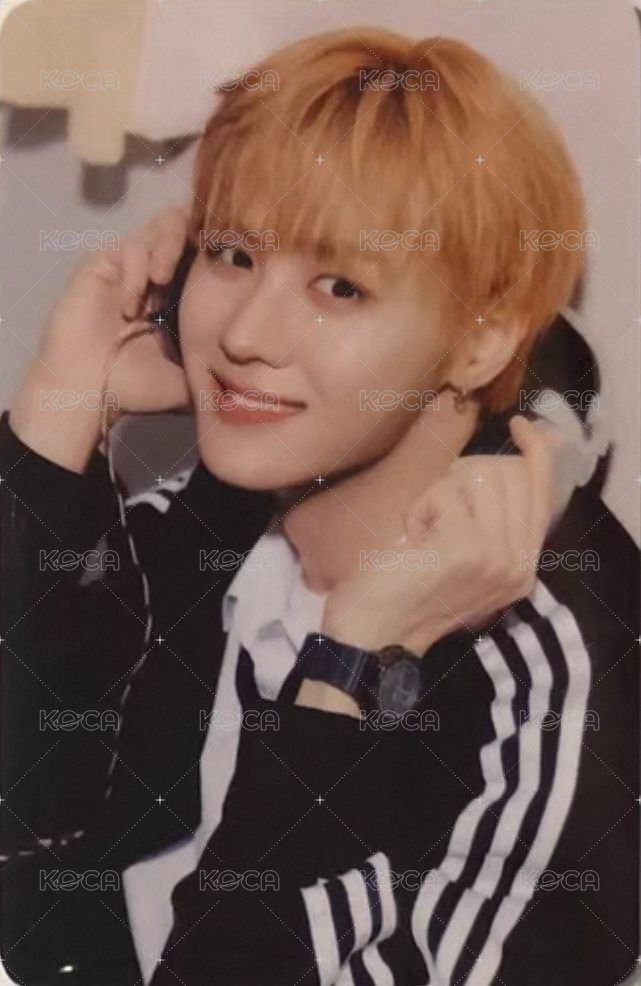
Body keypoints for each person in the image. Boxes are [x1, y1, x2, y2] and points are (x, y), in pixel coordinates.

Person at [1, 27, 638, 986]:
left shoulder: (552, 693)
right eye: (231, 254)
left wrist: (344, 675)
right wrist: (61, 402)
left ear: (480, 340)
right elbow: (31, 806)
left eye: (340, 286)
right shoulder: (214, 522)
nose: (246, 335)